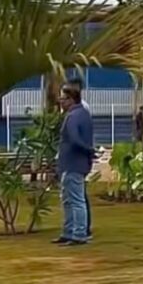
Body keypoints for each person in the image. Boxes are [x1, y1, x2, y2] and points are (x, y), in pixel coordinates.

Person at [54, 83, 94, 245]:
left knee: (75, 200)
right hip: (78, 163)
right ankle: (69, 231)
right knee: (69, 199)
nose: (61, 102)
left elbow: (74, 138)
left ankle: (78, 234)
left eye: (63, 99)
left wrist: (87, 150)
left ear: (71, 99)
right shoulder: (84, 114)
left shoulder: (72, 116)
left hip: (72, 163)